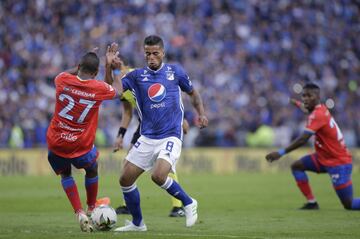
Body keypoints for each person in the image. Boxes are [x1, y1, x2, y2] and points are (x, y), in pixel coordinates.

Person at [106, 35, 208, 232]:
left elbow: (193, 94)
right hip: (147, 137)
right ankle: (138, 223)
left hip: (170, 135)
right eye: (147, 54)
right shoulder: (137, 76)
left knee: (158, 175)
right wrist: (109, 68)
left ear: (163, 53)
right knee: (125, 180)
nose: (151, 57)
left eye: (155, 53)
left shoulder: (175, 71)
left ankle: (188, 202)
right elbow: (112, 90)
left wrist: (201, 114)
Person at [46, 47, 123, 232]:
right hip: (80, 143)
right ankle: (91, 207)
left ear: (78, 66)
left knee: (66, 174)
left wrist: (83, 62)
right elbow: (118, 91)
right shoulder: (97, 88)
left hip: (57, 141)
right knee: (92, 168)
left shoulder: (61, 79)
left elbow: (69, 72)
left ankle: (79, 211)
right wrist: (115, 69)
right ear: (96, 73)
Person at [110, 56, 187, 217]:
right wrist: (120, 136)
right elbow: (127, 112)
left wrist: (182, 119)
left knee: (164, 164)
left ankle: (178, 205)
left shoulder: (136, 76)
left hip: (163, 122)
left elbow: (167, 94)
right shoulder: (122, 86)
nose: (117, 71)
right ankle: (128, 204)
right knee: (128, 163)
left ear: (125, 65)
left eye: (118, 67)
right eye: (114, 70)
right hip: (144, 125)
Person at [266, 83, 360, 210]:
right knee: (297, 166)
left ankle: (314, 202)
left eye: (308, 96)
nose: (305, 98)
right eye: (303, 95)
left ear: (317, 97)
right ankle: (312, 203)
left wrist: (280, 153)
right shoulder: (319, 109)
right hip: (323, 158)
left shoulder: (318, 115)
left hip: (338, 163)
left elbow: (303, 139)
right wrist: (296, 103)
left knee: (349, 204)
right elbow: (306, 109)